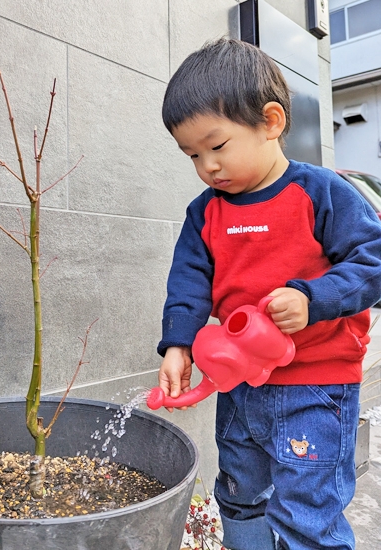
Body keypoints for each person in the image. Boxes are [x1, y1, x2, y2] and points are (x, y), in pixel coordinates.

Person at [157, 38, 381, 550]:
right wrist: (179, 343)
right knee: (239, 495)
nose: (206, 166)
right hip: (238, 387)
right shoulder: (205, 213)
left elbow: (373, 261)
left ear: (271, 122)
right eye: (192, 155)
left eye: (216, 146)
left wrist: (312, 298)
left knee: (307, 512)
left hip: (315, 387)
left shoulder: (321, 192)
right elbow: (188, 281)